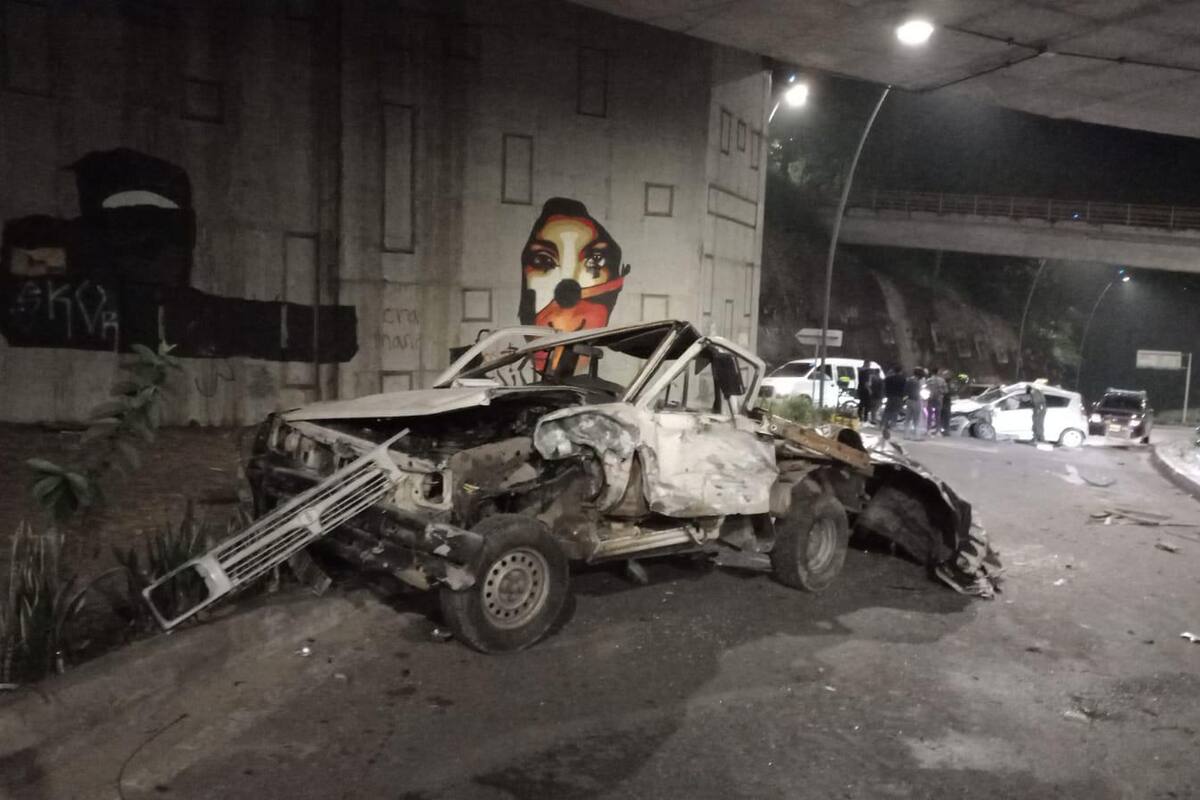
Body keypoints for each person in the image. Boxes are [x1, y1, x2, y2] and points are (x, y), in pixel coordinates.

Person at [882, 365, 907, 438]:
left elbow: (885, 385)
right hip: (899, 397)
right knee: (895, 411)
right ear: (901, 371)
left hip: (890, 396)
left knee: (887, 411)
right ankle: (892, 425)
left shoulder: (889, 378)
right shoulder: (903, 379)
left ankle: (883, 424)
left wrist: (886, 394)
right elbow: (904, 389)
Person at [925, 367, 948, 436]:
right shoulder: (942, 380)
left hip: (930, 398)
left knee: (929, 415)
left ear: (932, 372)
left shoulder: (929, 380)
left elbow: (926, 389)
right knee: (938, 415)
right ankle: (938, 431)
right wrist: (941, 392)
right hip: (939, 399)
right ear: (938, 372)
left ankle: (928, 430)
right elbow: (946, 390)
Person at [905, 367, 927, 438]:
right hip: (917, 400)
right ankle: (916, 435)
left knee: (908, 418)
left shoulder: (909, 379)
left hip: (909, 400)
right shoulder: (919, 382)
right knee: (916, 419)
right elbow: (922, 391)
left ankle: (906, 435)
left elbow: (906, 390)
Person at [856, 360, 874, 425]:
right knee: (867, 404)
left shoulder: (860, 371)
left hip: (860, 388)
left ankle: (859, 416)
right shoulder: (866, 372)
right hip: (865, 390)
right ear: (867, 364)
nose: (870, 366)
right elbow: (866, 382)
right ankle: (865, 418)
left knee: (861, 403)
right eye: (869, 364)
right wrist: (869, 390)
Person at [939, 369, 955, 436]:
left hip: (946, 401)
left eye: (946, 375)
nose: (945, 376)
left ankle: (945, 430)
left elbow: (951, 392)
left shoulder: (948, 384)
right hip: (943, 401)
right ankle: (943, 430)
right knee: (943, 416)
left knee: (945, 417)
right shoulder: (943, 383)